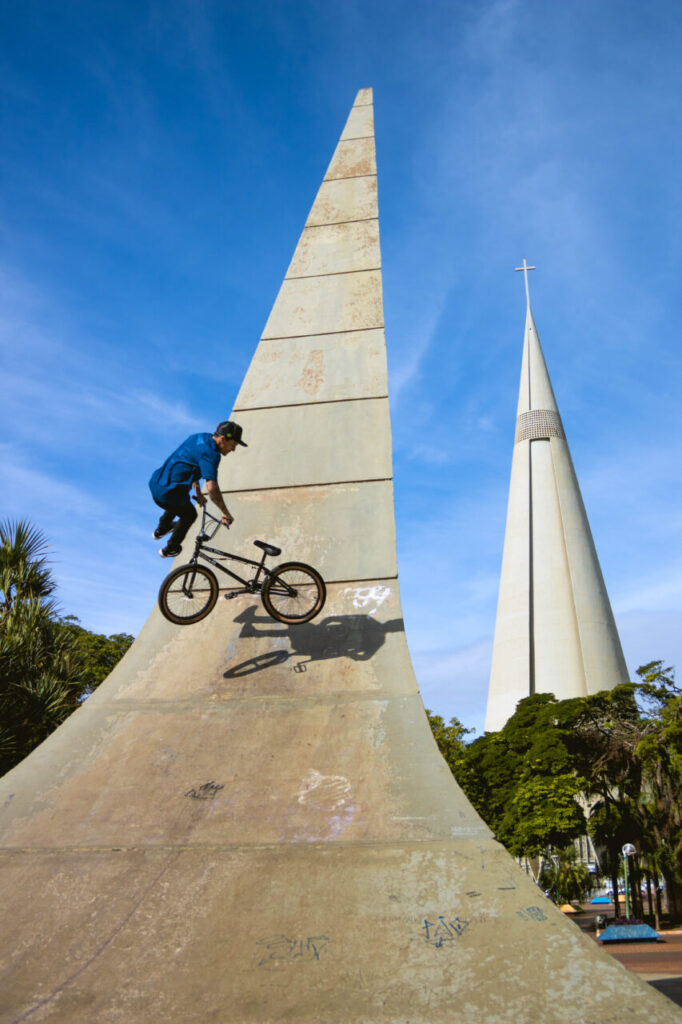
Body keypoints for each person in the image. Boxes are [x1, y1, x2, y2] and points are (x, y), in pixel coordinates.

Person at [149, 420, 247, 558]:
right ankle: (171, 548)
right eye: (233, 445)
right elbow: (212, 488)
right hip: (167, 494)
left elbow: (190, 464)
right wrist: (225, 512)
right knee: (190, 514)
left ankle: (162, 529)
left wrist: (198, 493)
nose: (233, 449)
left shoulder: (199, 437)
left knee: (180, 496)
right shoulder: (212, 454)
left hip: (156, 483)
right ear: (223, 439)